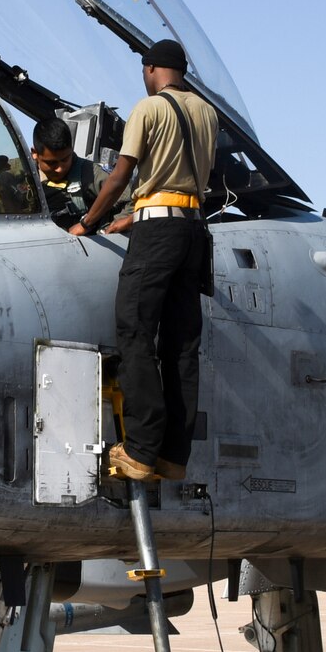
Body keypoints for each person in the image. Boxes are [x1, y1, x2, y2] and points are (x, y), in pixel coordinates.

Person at [72, 39, 218, 482]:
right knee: (181, 345)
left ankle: (138, 448)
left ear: (151, 68)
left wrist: (91, 221)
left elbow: (121, 174)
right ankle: (174, 454)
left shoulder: (148, 109)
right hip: (193, 230)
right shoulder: (208, 113)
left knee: (134, 328)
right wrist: (136, 218)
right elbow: (185, 183)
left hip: (156, 234)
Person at [32, 117, 129, 233]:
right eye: (51, 163)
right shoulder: (26, 177)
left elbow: (132, 200)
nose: (60, 169)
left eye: (65, 159)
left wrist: (108, 230)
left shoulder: (90, 173)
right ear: (35, 154)